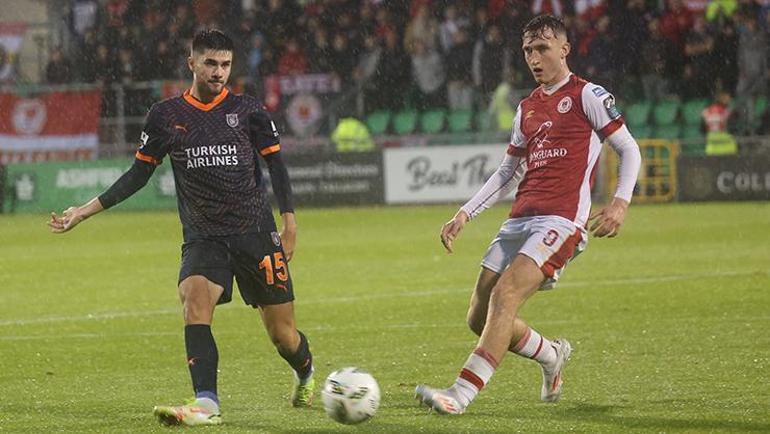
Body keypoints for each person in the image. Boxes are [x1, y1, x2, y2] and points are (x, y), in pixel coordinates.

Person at [48, 29, 315, 426]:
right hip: (203, 237)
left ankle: (305, 371)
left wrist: (289, 224)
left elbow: (276, 166)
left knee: (283, 337)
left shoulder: (249, 111)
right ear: (191, 63)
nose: (218, 72)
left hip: (256, 234)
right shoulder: (167, 116)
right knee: (194, 302)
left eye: (225, 64)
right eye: (210, 63)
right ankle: (207, 403)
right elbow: (138, 175)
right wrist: (83, 212)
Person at [415, 15, 641, 415]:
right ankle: (551, 354)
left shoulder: (588, 94)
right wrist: (465, 213)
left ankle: (460, 393)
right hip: (519, 219)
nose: (534, 58)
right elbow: (507, 172)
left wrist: (620, 202)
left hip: (560, 221)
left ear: (564, 50)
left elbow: (628, 148)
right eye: (527, 51)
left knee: (506, 297)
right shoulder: (527, 108)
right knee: (479, 315)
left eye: (542, 49)